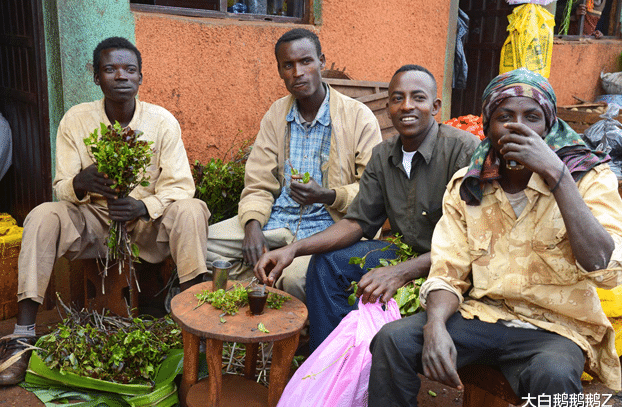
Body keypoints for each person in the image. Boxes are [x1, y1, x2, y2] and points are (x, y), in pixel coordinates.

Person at [368, 68, 622, 407]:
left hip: (556, 329)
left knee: (554, 375)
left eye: (531, 117)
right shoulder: (469, 183)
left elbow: (604, 268)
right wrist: (436, 325)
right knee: (392, 340)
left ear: (547, 126)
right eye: (505, 117)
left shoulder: (588, 178)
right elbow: (448, 268)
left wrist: (558, 176)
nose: (518, 128)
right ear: (487, 128)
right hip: (483, 315)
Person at [0, 37, 209, 386]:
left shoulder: (162, 121)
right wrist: (81, 183)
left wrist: (144, 205)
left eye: (130, 69)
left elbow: (181, 185)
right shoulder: (76, 120)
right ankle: (23, 336)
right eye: (110, 69)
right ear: (97, 77)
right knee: (42, 215)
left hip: (148, 225)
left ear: (141, 77)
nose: (121, 76)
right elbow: (62, 185)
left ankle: (197, 327)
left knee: (192, 209)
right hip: (94, 223)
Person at [255, 64, 480, 352]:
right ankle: (333, 359)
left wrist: (402, 272)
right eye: (397, 98)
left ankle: (364, 360)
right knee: (325, 265)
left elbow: (472, 243)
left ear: (435, 106)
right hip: (407, 250)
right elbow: (357, 223)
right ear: (388, 108)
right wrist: (293, 250)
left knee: (395, 327)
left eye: (418, 98)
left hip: (453, 263)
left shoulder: (464, 150)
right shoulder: (383, 155)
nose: (406, 106)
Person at [206, 28, 382, 303]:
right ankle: (257, 289)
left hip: (327, 230)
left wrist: (327, 195)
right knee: (203, 245)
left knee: (297, 278)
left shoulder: (358, 117)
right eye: (288, 65)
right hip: (277, 222)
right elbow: (258, 182)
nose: (298, 72)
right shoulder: (277, 114)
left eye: (306, 62)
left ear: (321, 62)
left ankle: (284, 315)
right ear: (280, 71)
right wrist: (252, 227)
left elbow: (372, 192)